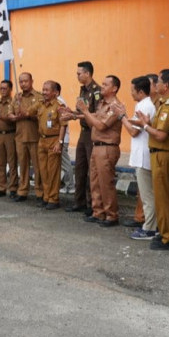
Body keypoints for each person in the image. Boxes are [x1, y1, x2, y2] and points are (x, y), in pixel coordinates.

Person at [136, 69, 169, 251]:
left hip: (165, 153)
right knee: (162, 197)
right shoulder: (164, 103)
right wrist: (148, 122)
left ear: (166, 85)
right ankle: (166, 233)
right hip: (160, 154)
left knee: (165, 197)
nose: (155, 84)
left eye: (159, 81)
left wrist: (145, 125)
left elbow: (162, 135)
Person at [112, 76, 157, 240]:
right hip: (142, 154)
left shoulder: (145, 105)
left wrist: (122, 116)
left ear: (140, 91)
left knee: (147, 196)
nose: (130, 94)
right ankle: (152, 226)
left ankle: (150, 228)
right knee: (147, 194)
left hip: (144, 155)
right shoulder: (143, 104)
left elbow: (134, 131)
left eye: (132, 90)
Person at [77, 75, 123, 227]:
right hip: (97, 146)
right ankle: (98, 212)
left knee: (105, 183)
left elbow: (101, 125)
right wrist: (75, 115)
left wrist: (85, 111)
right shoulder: (102, 104)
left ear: (114, 88)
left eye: (105, 84)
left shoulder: (116, 106)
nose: (101, 86)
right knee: (95, 181)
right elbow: (94, 117)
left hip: (107, 147)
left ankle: (111, 215)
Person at [62, 61, 102, 215]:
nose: (77, 76)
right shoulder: (83, 90)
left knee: (92, 171)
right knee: (80, 168)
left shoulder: (96, 91)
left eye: (79, 73)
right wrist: (71, 112)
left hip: (92, 133)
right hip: (83, 132)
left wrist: (74, 116)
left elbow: (95, 114)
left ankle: (93, 205)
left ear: (87, 73)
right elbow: (81, 112)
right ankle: (79, 202)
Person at [27, 80, 67, 210]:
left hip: (53, 140)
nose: (44, 92)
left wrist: (60, 142)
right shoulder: (41, 105)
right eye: (43, 89)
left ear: (55, 92)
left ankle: (54, 199)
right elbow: (28, 112)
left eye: (47, 90)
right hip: (42, 141)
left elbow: (63, 125)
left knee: (53, 172)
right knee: (43, 171)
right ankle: (46, 196)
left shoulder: (59, 106)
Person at [8, 72, 42, 202]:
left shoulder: (39, 97)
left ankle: (39, 192)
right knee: (22, 165)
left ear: (32, 81)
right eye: (21, 81)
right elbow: (9, 113)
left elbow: (40, 116)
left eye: (26, 81)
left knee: (38, 167)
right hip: (20, 137)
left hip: (34, 137)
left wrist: (27, 115)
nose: (23, 84)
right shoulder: (17, 97)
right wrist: (15, 117)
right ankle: (22, 191)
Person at [0, 79, 18, 198]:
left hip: (10, 134)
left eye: (5, 88)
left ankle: (13, 188)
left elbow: (12, 121)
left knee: (12, 163)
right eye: (1, 88)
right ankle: (1, 187)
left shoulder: (13, 103)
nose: (2, 91)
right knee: (1, 163)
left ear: (10, 89)